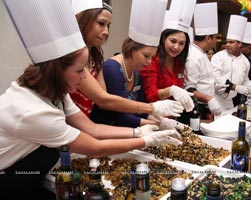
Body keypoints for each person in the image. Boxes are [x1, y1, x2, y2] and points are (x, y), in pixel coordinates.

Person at [0, 1, 182, 198]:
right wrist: (145, 139)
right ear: (56, 71)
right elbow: (95, 147)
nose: (84, 77)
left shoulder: (57, 94)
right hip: (10, 175)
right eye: (80, 71)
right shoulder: (33, 111)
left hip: (33, 166)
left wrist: (137, 131)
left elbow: (92, 128)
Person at [69, 0, 184, 118]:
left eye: (108, 25)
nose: (106, 32)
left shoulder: (95, 56)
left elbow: (105, 99)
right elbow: (103, 100)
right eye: (101, 23)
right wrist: (152, 109)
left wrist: (151, 117)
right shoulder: (74, 55)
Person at [90, 0, 168, 127]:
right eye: (146, 56)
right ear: (132, 49)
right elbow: (119, 116)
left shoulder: (136, 72)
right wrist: (155, 124)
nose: (149, 62)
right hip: (107, 129)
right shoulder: (113, 68)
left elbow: (140, 107)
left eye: (152, 57)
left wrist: (160, 120)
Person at [141, 0, 196, 113]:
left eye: (181, 43)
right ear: (163, 39)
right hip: (152, 115)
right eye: (173, 41)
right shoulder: (152, 60)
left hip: (173, 115)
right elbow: (150, 96)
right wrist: (170, 90)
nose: (176, 47)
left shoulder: (179, 63)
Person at [184, 2, 223, 120]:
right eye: (215, 37)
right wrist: (208, 98)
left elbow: (203, 81)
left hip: (204, 106)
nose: (216, 41)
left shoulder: (202, 53)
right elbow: (189, 88)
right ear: (208, 38)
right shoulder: (193, 55)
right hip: (196, 107)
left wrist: (215, 87)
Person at [211, 15, 251, 112]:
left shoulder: (245, 61)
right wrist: (236, 87)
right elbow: (216, 78)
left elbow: (245, 79)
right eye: (227, 42)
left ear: (240, 44)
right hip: (216, 99)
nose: (228, 45)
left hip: (230, 101)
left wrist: (248, 87)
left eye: (231, 42)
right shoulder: (218, 57)